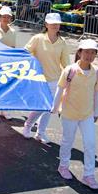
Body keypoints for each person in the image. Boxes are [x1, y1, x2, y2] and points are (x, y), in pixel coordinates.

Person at [51, 39, 98, 190]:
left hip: (87, 114)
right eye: (86, 52)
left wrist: (96, 112)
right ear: (79, 52)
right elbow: (60, 89)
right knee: (68, 141)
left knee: (90, 144)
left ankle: (89, 175)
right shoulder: (70, 70)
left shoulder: (97, 71)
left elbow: (96, 93)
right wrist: (55, 108)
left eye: (93, 52)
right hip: (69, 113)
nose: (89, 55)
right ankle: (63, 166)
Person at [23, 13, 70, 143]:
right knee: (40, 106)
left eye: (57, 23)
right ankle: (28, 125)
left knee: (49, 108)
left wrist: (70, 78)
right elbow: (25, 52)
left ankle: (41, 132)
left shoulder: (62, 42)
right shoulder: (38, 38)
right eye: (52, 23)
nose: (55, 25)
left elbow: (66, 63)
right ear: (46, 25)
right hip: (39, 79)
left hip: (55, 79)